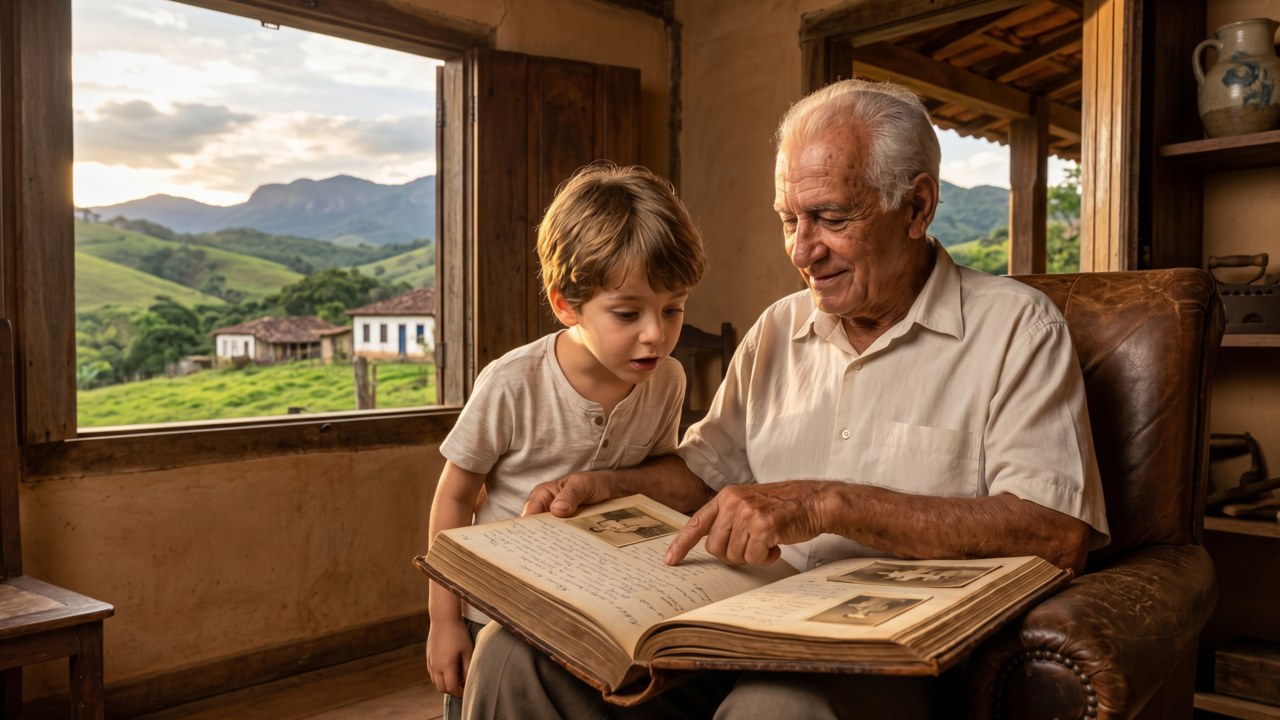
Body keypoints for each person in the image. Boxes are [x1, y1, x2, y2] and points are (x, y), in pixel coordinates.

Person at [462, 79, 1110, 719]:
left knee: (776, 708)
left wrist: (829, 504)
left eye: (830, 218)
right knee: (513, 655)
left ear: (916, 207)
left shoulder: (1017, 329)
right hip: (740, 625)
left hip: (893, 653)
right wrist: (605, 485)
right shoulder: (776, 328)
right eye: (789, 221)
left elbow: (1055, 532)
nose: (803, 251)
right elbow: (703, 474)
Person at [425, 164, 707, 720]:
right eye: (628, 313)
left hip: (601, 606)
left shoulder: (667, 380)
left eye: (673, 308)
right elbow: (455, 498)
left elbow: (652, 486)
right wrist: (445, 619)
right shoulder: (513, 383)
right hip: (496, 609)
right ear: (566, 305)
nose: (656, 332)